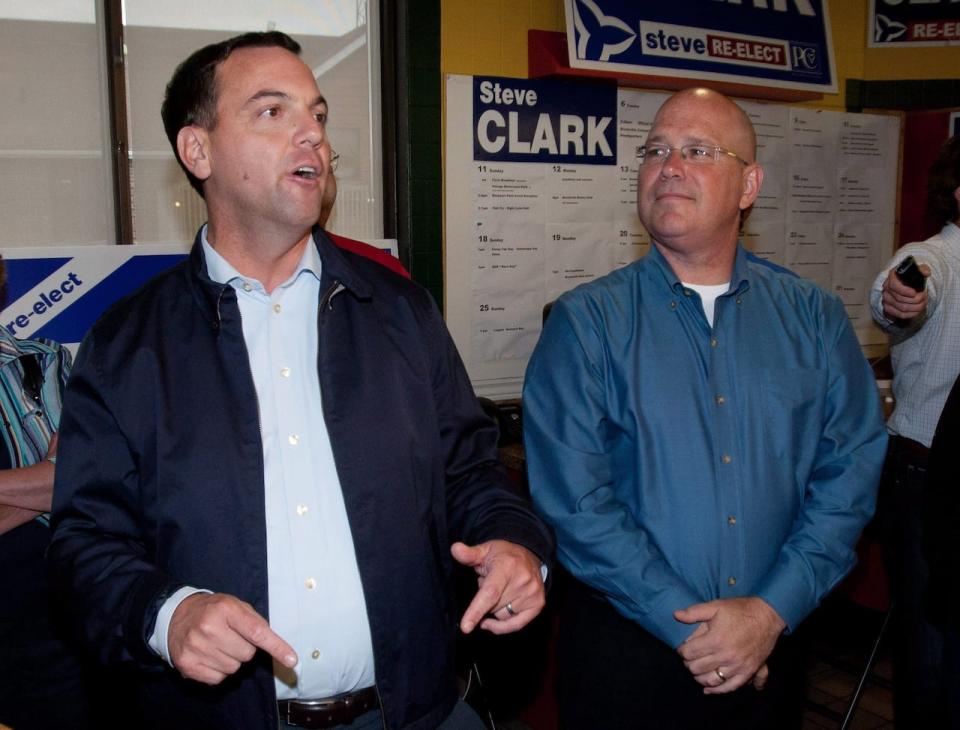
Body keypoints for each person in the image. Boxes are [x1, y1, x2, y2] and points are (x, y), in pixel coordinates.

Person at [48, 31, 552, 730]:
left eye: (315, 114)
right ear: (197, 152)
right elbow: (84, 541)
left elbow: (470, 473)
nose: (311, 134)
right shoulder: (130, 343)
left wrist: (514, 543)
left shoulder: (399, 311)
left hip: (417, 711)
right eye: (272, 112)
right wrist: (168, 614)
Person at [523, 87, 887, 729]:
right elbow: (577, 503)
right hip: (627, 658)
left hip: (770, 651)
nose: (669, 165)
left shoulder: (814, 318)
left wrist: (770, 612)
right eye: (656, 150)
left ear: (749, 185)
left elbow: (849, 476)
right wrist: (696, 630)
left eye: (697, 150)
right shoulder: (586, 324)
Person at [869, 134, 960, 727]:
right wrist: (899, 296)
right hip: (927, 482)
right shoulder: (937, 257)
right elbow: (901, 288)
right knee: (930, 643)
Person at [0, 257, 87, 730]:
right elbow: (54, 481)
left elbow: (75, 479)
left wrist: (56, 481)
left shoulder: (47, 361)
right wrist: (41, 479)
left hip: (50, 625)